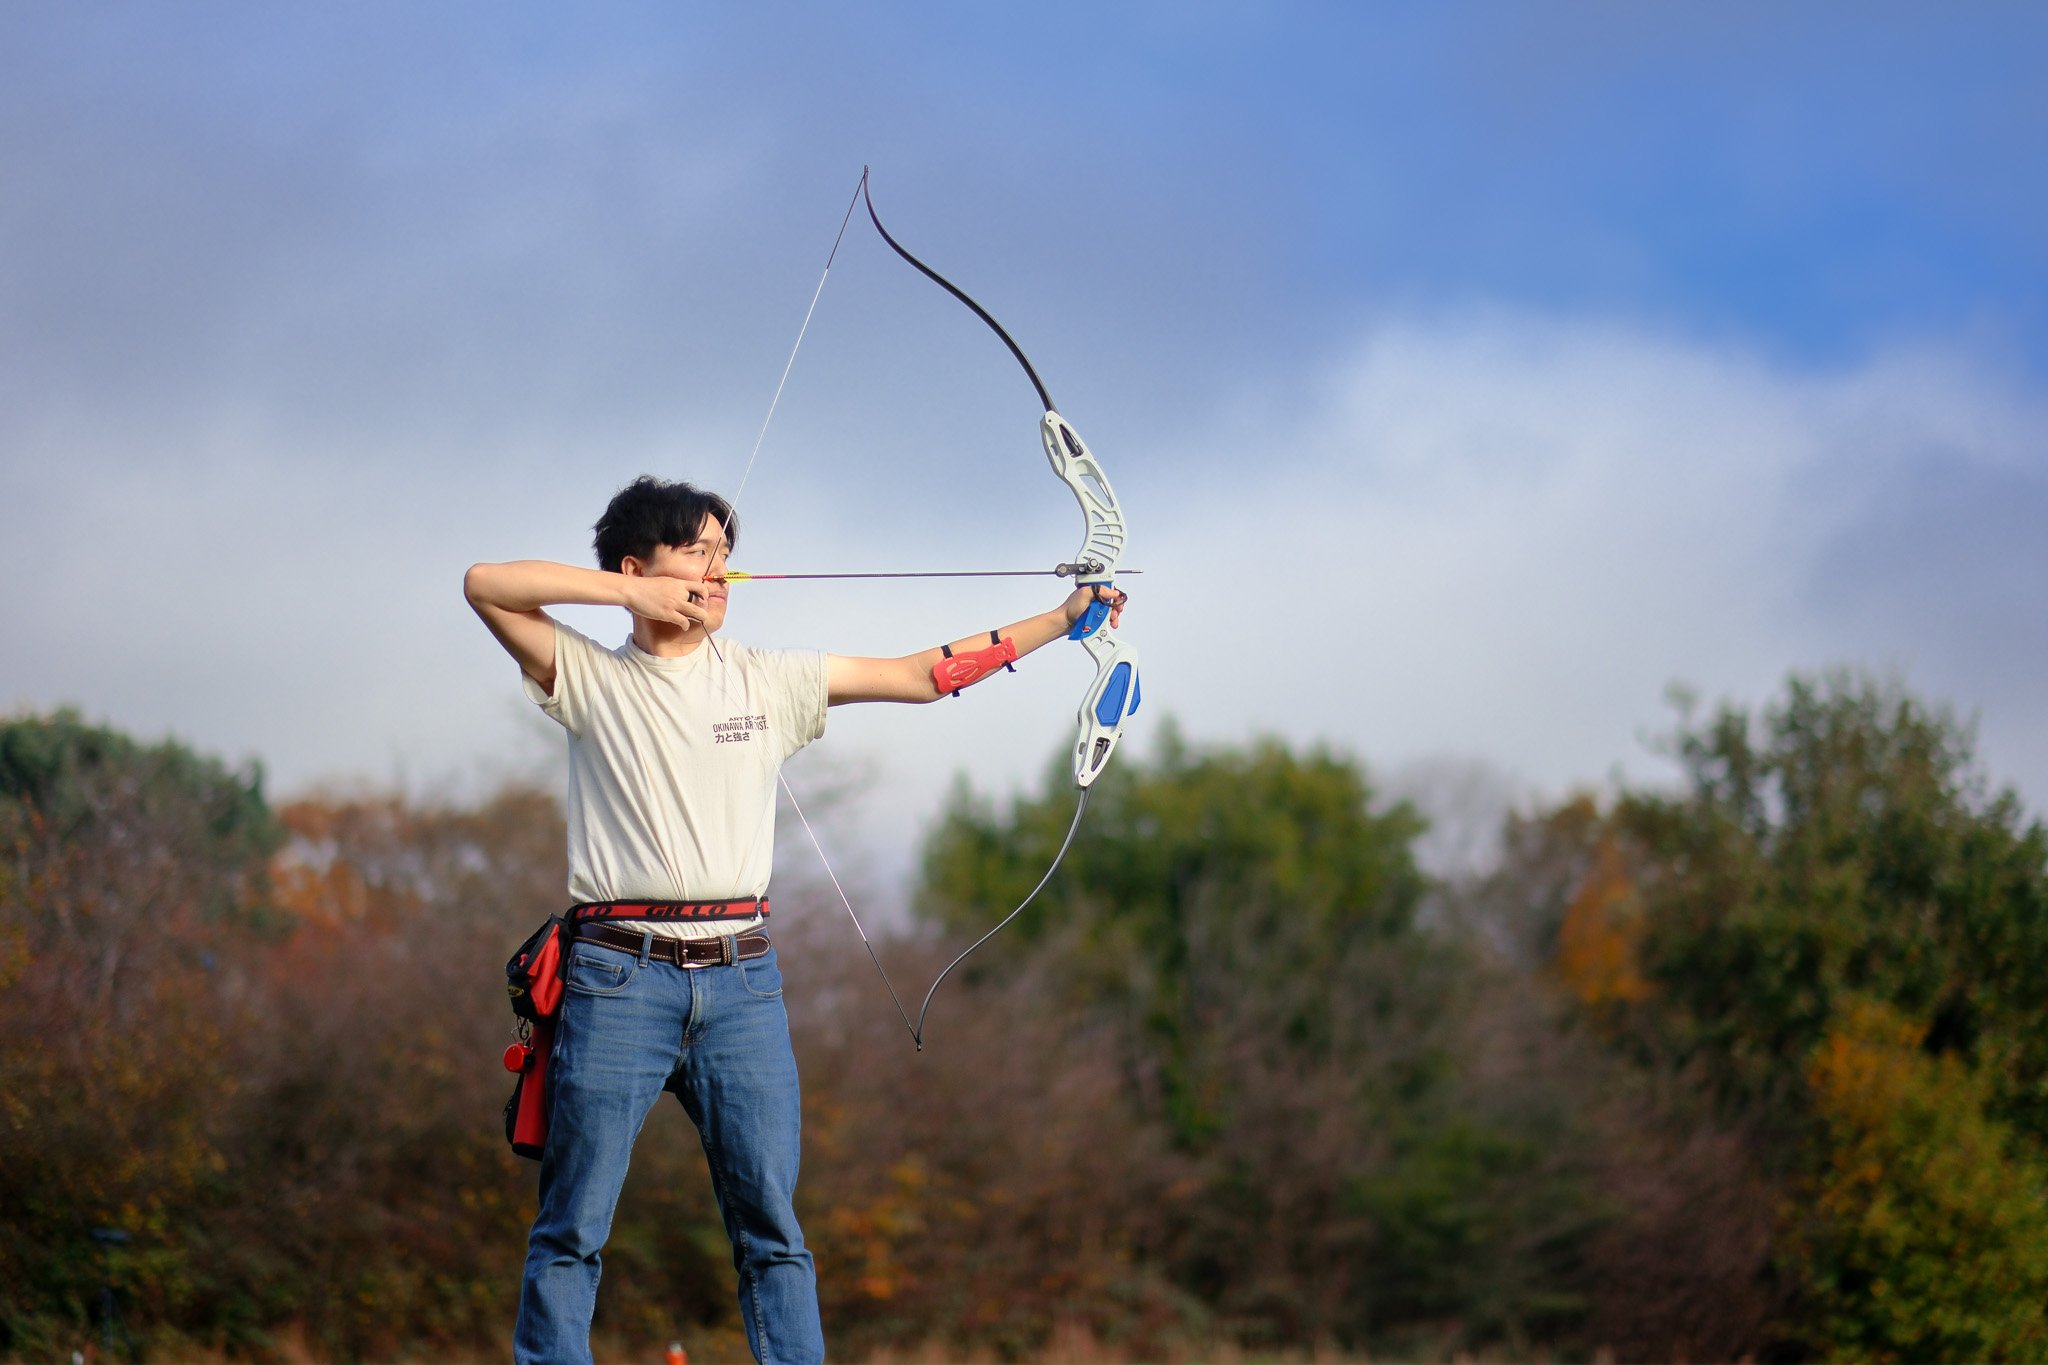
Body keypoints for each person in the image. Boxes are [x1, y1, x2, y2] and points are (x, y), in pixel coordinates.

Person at [464, 475, 1127, 1365]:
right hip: (618, 974)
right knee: (572, 1224)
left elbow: (918, 676)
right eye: (697, 552)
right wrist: (631, 597)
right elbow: (483, 582)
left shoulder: (767, 680)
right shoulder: (586, 673)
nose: (718, 572)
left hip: (742, 980)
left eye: (726, 555)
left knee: (773, 1229)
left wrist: (1062, 620)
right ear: (636, 565)